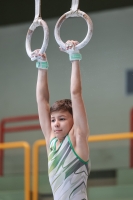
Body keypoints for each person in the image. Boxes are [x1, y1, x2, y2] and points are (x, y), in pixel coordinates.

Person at [32, 40, 90, 200]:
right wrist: (42, 65)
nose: (56, 124)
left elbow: (76, 93)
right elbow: (42, 100)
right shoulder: (51, 141)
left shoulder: (78, 139)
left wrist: (74, 57)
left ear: (74, 120)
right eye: (53, 120)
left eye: (62, 119)